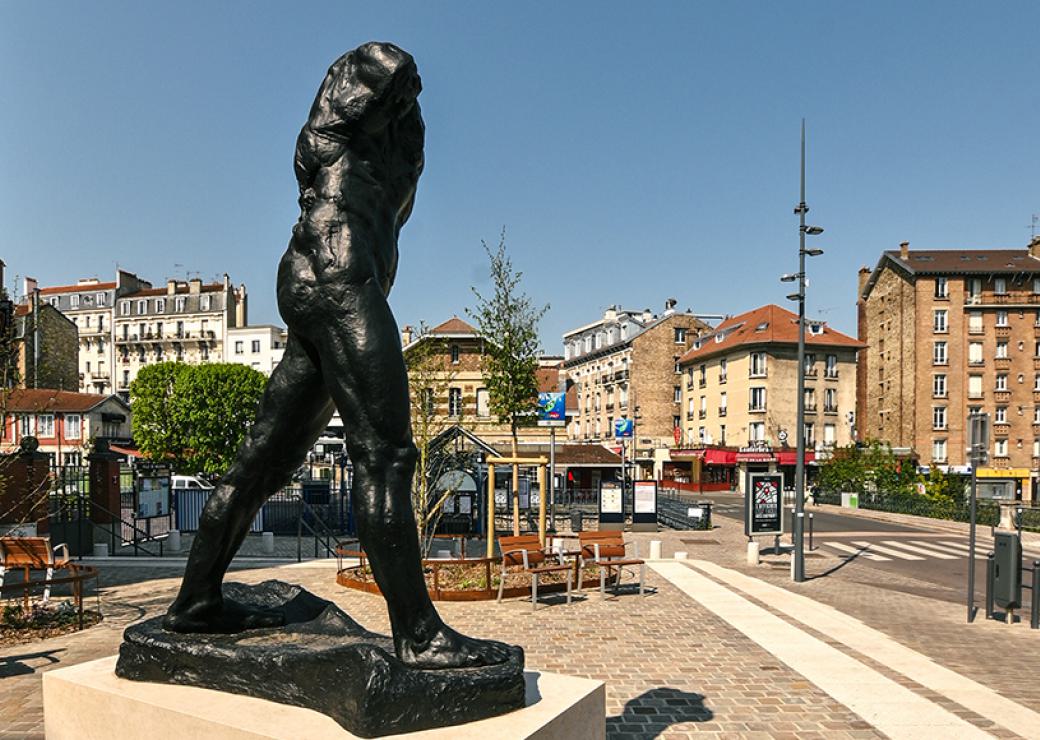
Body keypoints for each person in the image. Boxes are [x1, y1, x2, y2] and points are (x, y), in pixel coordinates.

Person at [163, 42, 509, 670]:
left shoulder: (395, 151)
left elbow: (402, 151)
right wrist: (395, 80)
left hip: (328, 279)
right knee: (387, 455)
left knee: (265, 460)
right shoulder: (331, 138)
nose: (400, 97)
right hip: (337, 276)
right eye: (389, 92)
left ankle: (195, 603)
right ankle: (420, 635)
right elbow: (365, 86)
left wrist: (407, 108)